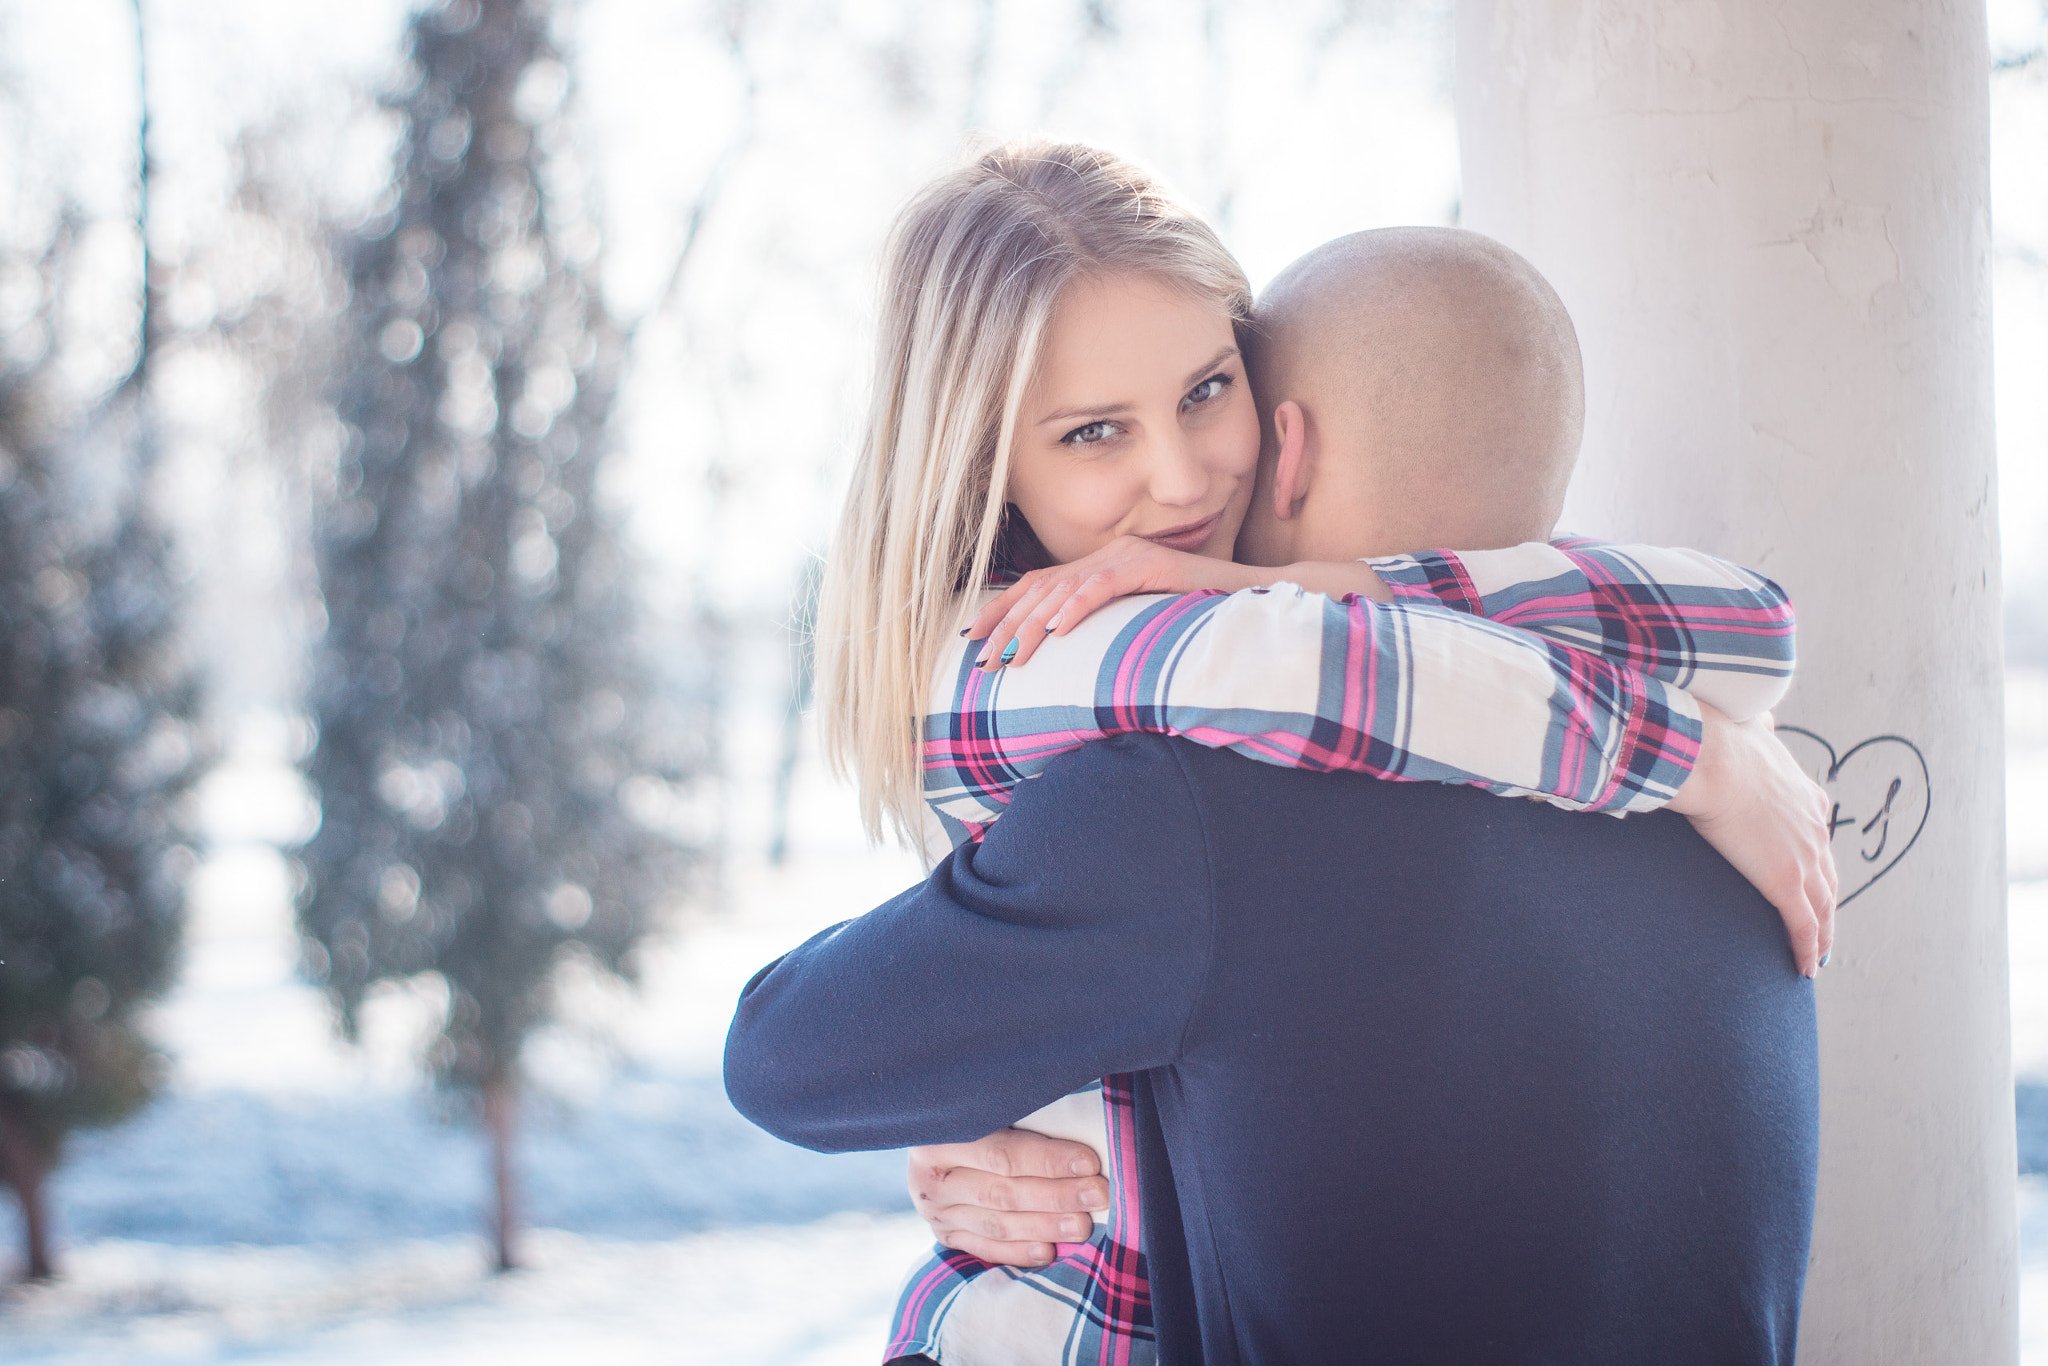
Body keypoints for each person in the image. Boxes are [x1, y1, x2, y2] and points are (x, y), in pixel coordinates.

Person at [766, 142, 1827, 1362]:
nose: (1177, 483)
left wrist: (960, 1088)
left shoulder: (1173, 800)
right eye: (1094, 431)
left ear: (1289, 435)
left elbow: (785, 1053)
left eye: (1205, 391)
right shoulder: (1743, 813)